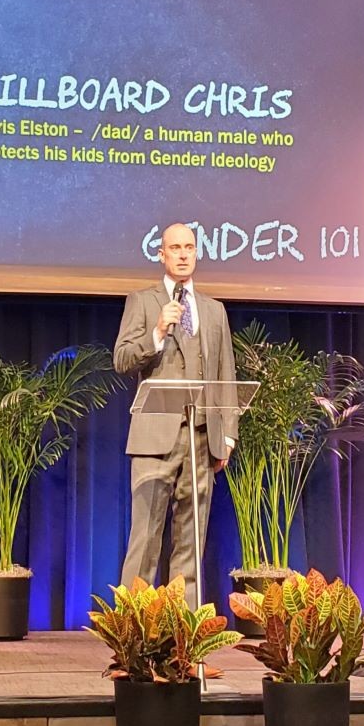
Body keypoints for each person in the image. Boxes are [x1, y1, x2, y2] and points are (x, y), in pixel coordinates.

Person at [113, 222, 237, 606]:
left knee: (191, 540)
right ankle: (132, 630)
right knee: (145, 538)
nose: (183, 254)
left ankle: (184, 632)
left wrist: (226, 435)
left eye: (189, 247)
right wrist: (156, 332)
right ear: (161, 254)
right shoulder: (142, 301)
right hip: (155, 438)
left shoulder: (214, 311)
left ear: (196, 252)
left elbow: (225, 374)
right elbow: (122, 359)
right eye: (175, 248)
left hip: (201, 438)